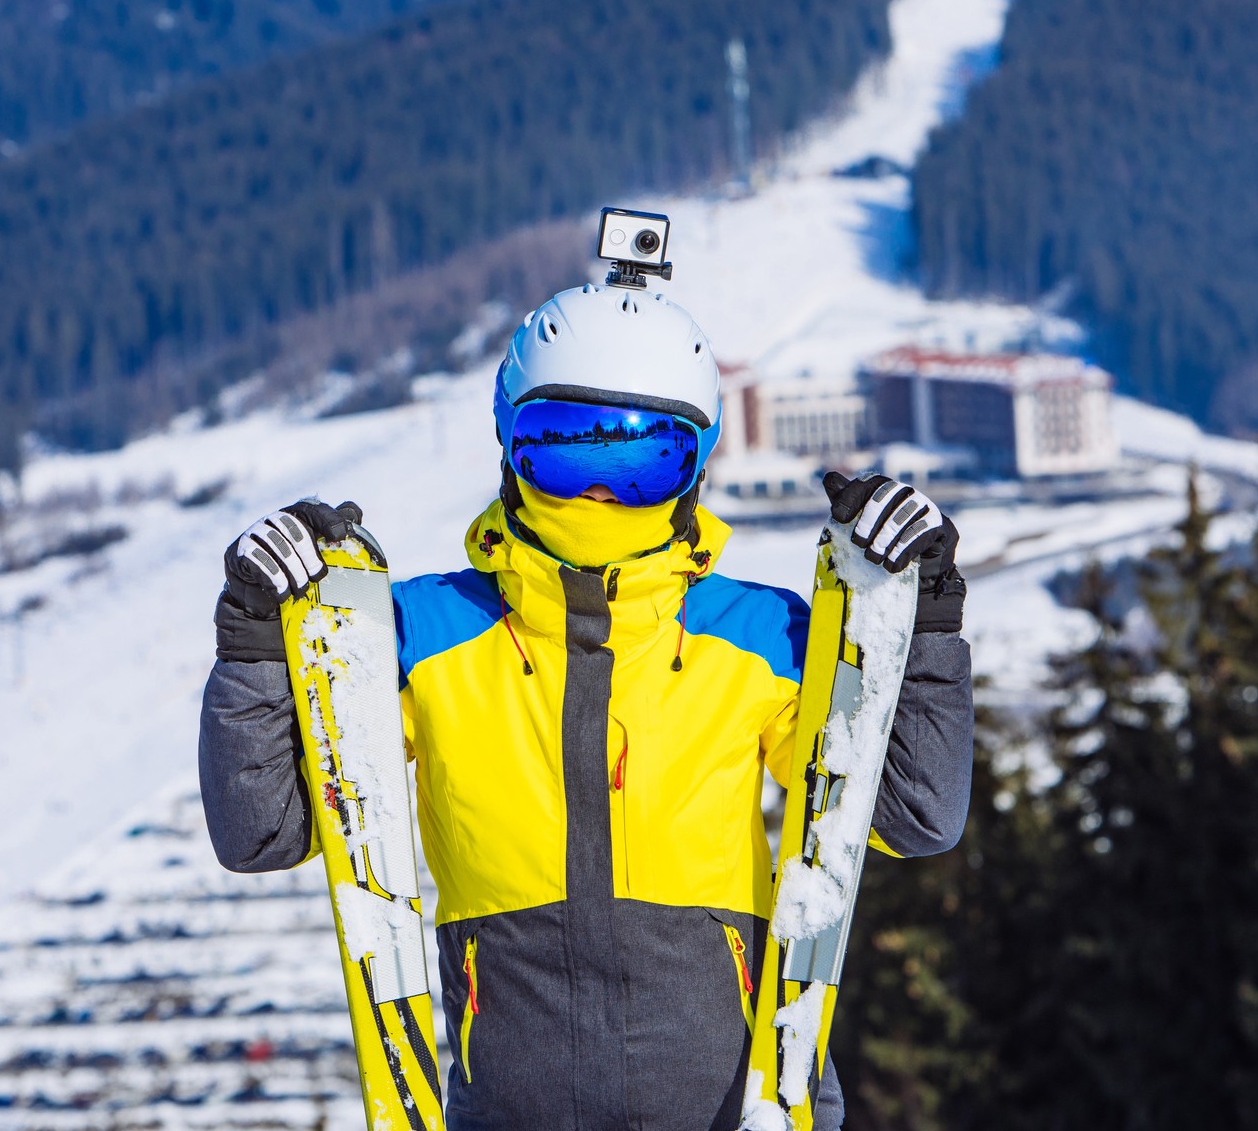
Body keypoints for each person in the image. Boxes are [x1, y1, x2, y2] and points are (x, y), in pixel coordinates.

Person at [199, 281, 973, 1130]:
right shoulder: (423, 638)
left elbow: (913, 817)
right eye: (566, 453)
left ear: (694, 469)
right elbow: (264, 834)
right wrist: (258, 649)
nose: (598, 498)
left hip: (734, 1111)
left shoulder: (759, 638)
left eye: (640, 464)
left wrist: (921, 622)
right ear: (509, 446)